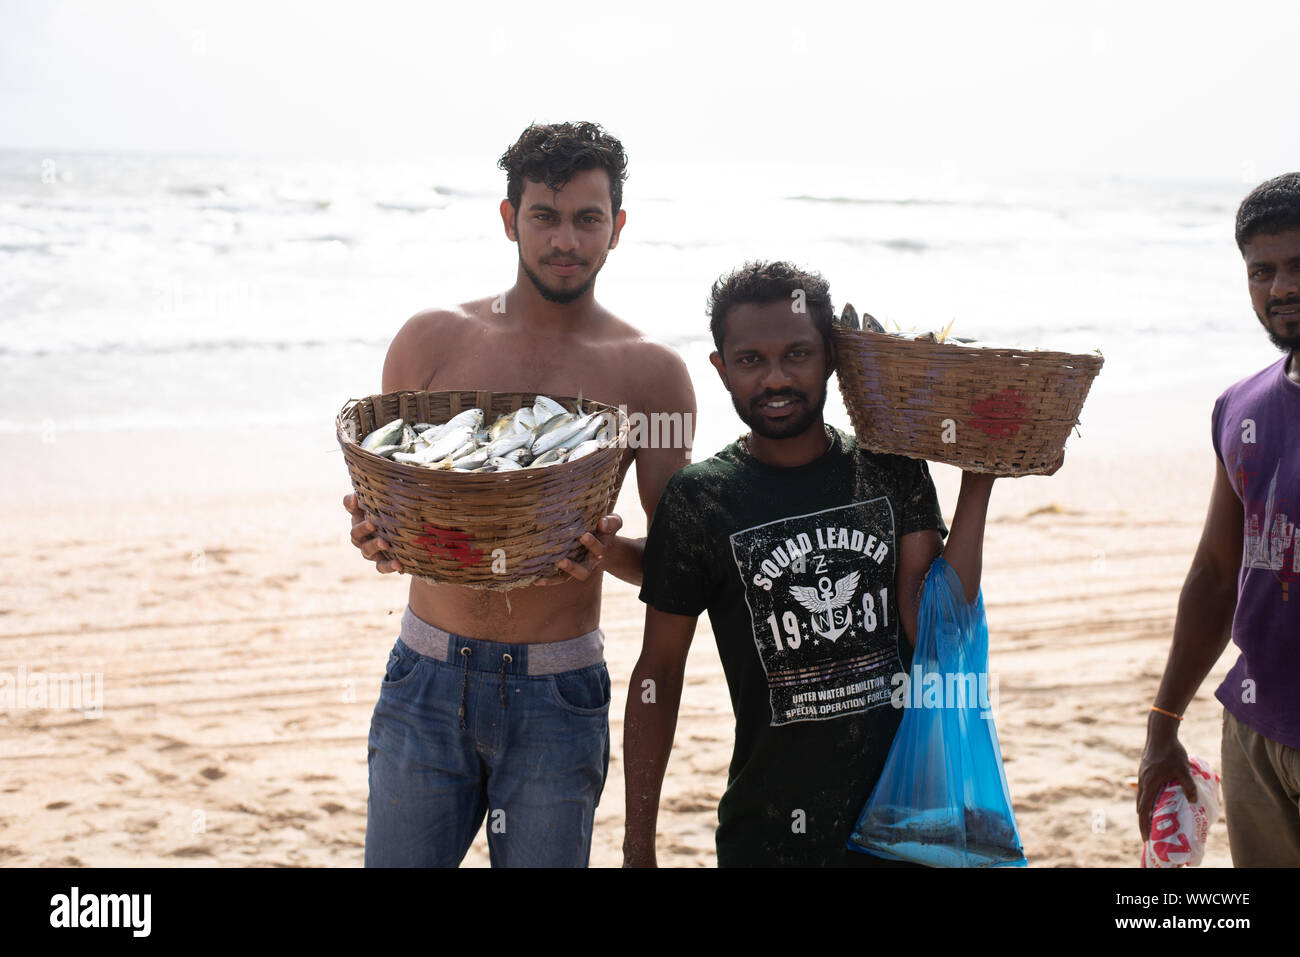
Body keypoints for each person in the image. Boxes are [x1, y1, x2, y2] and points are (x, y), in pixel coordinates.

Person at [344, 121, 696, 867]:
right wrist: (377, 538)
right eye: (545, 215)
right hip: (425, 678)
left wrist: (604, 553)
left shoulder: (651, 376)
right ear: (510, 219)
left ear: (618, 228)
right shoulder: (430, 341)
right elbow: (399, 504)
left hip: (557, 694)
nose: (565, 239)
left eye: (587, 218)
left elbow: (673, 562)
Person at [623, 261, 1002, 867]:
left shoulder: (890, 468)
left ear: (831, 356)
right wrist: (638, 844)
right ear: (721, 369)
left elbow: (933, 625)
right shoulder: (701, 499)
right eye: (750, 360)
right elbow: (658, 675)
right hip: (767, 833)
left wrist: (978, 484)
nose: (776, 379)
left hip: (906, 815)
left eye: (797, 354)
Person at [1137, 172, 1300, 866]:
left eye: (1298, 266)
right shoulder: (1240, 407)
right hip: (1256, 731)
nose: (1281, 288)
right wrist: (1163, 724)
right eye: (1261, 271)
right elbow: (1213, 571)